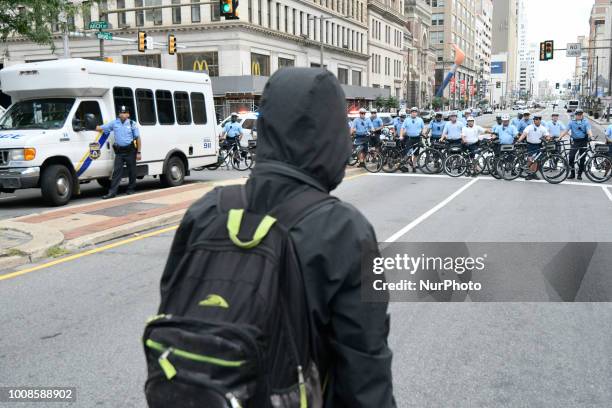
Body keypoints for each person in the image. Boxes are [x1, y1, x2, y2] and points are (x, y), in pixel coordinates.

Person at [162, 68, 395, 407]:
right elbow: (366, 374)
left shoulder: (206, 210)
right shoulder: (345, 231)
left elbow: (173, 308)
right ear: (330, 137)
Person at [96, 105, 141, 199]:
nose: (123, 114)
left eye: (125, 113)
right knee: (116, 172)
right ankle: (112, 192)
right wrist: (95, 126)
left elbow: (138, 138)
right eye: (121, 112)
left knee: (132, 171)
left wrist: (138, 152)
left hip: (130, 150)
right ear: (119, 114)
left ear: (128, 114)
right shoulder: (114, 123)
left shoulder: (132, 123)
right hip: (119, 152)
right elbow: (102, 128)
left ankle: (131, 189)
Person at [518, 114, 550, 180]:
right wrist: (519, 140)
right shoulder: (529, 127)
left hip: (538, 145)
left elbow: (547, 135)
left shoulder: (542, 128)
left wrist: (548, 138)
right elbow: (524, 134)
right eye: (536, 119)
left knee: (536, 161)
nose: (538, 121)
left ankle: (533, 174)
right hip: (530, 145)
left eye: (539, 119)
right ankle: (529, 174)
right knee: (530, 160)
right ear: (534, 120)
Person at [565, 109, 593, 180]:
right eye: (578, 114)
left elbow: (589, 130)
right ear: (575, 115)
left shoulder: (586, 122)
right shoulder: (571, 122)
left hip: (583, 141)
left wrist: (591, 136)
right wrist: (559, 138)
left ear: (582, 114)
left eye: (580, 114)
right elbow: (566, 131)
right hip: (575, 142)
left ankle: (579, 174)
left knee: (582, 159)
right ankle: (572, 173)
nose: (579, 116)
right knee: (571, 157)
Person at [400, 107, 425, 172]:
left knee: (416, 154)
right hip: (409, 138)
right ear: (411, 113)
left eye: (415, 112)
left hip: (417, 139)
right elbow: (402, 128)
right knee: (408, 153)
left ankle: (414, 166)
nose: (414, 113)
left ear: (417, 113)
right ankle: (406, 166)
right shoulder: (407, 120)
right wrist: (401, 135)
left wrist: (423, 133)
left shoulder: (420, 120)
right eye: (413, 112)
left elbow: (423, 128)